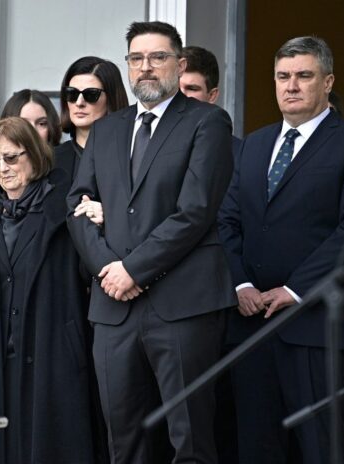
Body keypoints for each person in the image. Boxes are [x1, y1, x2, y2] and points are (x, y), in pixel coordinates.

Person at [67, 21, 236, 463]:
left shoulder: (207, 122)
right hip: (113, 309)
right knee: (123, 443)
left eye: (158, 57)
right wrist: (108, 269)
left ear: (179, 64)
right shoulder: (106, 130)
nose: (146, 67)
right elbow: (77, 205)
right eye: (136, 58)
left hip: (182, 305)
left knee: (190, 441)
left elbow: (195, 212)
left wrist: (133, 270)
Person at [218, 36, 344, 464]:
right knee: (256, 447)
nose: (291, 86)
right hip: (251, 325)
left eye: (304, 76)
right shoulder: (255, 143)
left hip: (316, 327)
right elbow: (227, 221)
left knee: (322, 448)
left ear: (328, 82)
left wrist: (297, 289)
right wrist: (241, 284)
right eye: (283, 76)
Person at [0, 117, 101, 464]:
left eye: (11, 158)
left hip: (51, 355)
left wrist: (100, 222)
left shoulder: (65, 209)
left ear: (34, 155)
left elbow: (90, 271)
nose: (2, 168)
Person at [180, 44, 239, 464]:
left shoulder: (238, 150)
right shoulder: (142, 146)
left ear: (213, 95)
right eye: (178, 89)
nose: (183, 98)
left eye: (193, 90)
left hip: (218, 298)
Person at [54, 56, 128, 183]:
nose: (79, 103)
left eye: (91, 94)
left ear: (111, 99)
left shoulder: (130, 155)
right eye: (72, 93)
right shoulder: (51, 160)